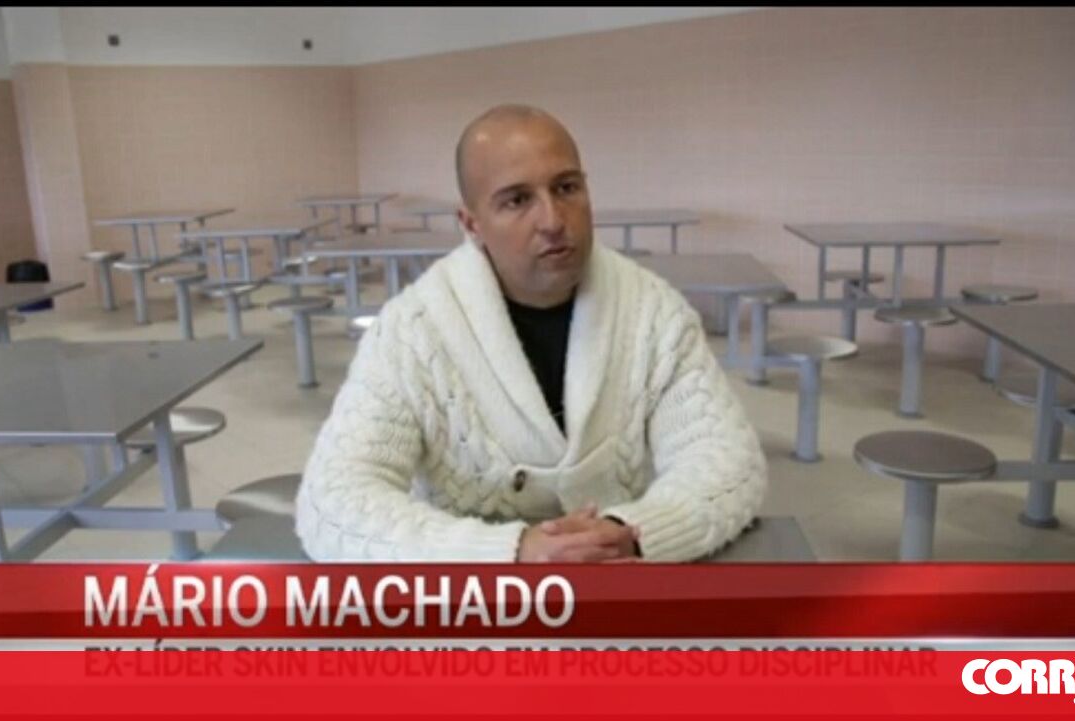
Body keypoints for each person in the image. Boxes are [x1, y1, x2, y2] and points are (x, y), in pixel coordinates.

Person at [296, 104, 766, 562]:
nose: (554, 220)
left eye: (566, 188)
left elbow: (727, 460)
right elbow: (333, 502)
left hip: (618, 580)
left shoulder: (653, 313)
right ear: (471, 224)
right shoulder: (411, 333)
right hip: (478, 600)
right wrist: (508, 552)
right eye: (517, 200)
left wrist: (632, 532)